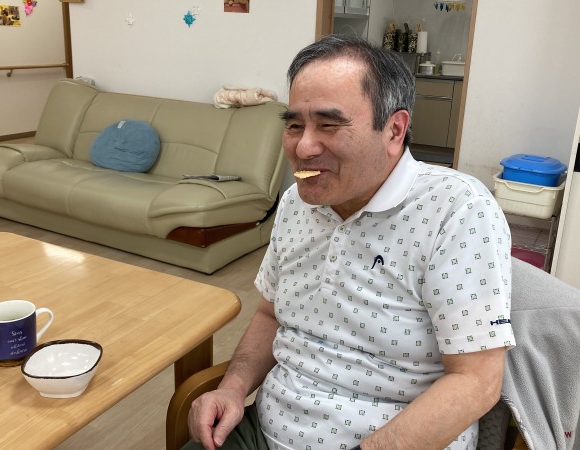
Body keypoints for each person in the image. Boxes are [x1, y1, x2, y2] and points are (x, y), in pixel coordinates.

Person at [185, 34, 515, 450]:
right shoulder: (296, 202)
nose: (303, 147)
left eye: (329, 124)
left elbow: (476, 381)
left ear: (394, 129)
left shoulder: (456, 209)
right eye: (294, 125)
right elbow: (270, 314)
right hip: (265, 430)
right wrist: (232, 389)